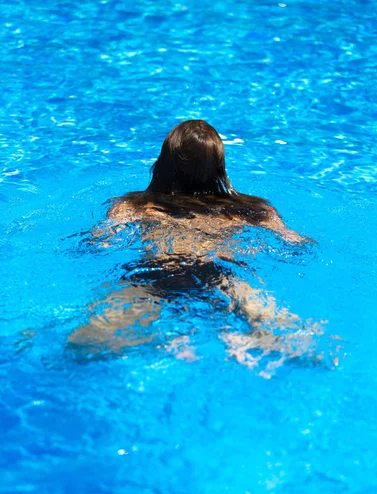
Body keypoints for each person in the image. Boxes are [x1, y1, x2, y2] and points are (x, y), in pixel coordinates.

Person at [70, 120, 330, 376]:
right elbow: (295, 243)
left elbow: (99, 241)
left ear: (164, 162)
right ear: (219, 167)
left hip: (156, 274)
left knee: (84, 346)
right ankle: (250, 342)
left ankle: (157, 345)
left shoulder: (135, 205)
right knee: (281, 329)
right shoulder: (254, 208)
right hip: (219, 275)